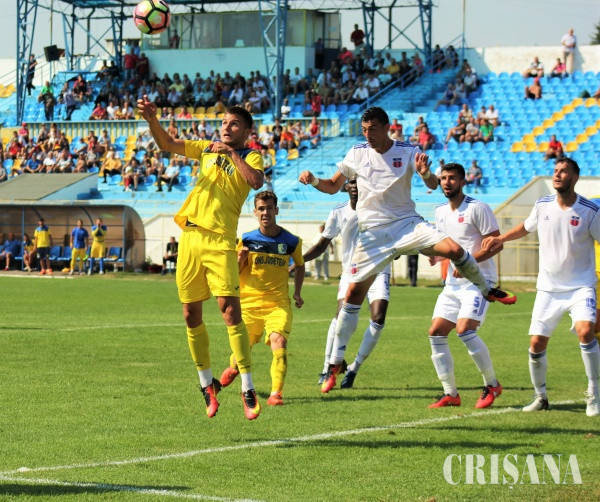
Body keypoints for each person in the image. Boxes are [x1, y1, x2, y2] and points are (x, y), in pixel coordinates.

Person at [299, 107, 516, 393]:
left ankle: (487, 290)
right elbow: (331, 186)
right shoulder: (357, 153)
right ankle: (334, 364)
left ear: (386, 127)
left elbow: (432, 184)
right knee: (351, 298)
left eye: (372, 129)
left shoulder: (408, 151)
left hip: (406, 225)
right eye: (364, 129)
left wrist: (425, 174)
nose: (368, 134)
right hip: (372, 235)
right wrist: (313, 179)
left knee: (453, 249)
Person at [137, 95, 264, 420]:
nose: (227, 128)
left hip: (220, 240)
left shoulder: (252, 156)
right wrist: (152, 120)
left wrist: (231, 153)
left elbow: (256, 181)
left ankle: (247, 387)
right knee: (190, 314)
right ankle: (207, 385)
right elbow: (167, 144)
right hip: (191, 237)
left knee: (229, 311)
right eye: (224, 123)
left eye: (234, 124)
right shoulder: (206, 149)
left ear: (246, 131)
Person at [482, 158, 600, 417]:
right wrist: (501, 238)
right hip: (548, 288)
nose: (557, 175)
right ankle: (540, 397)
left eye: (563, 171)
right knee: (536, 343)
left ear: (575, 178)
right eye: (555, 171)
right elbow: (526, 227)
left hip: (581, 287)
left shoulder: (590, 211)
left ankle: (594, 394)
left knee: (585, 332)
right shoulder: (542, 204)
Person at [428, 162, 504, 409]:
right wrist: (436, 255)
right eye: (443, 178)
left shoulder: (477, 208)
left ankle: (492, 385)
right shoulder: (440, 211)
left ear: (462, 182)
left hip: (479, 282)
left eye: (452, 178)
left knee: (465, 330)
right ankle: (450, 393)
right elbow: (446, 244)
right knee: (436, 332)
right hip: (453, 284)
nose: (447, 182)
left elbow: (497, 244)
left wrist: (468, 263)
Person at [303, 178, 390, 389]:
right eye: (352, 183)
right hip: (351, 272)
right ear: (346, 187)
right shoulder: (339, 212)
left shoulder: (380, 209)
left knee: (378, 318)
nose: (355, 187)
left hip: (378, 270)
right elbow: (322, 244)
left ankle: (353, 369)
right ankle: (328, 367)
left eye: (360, 183)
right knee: (341, 314)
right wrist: (299, 260)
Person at [219, 191, 305, 406]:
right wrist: (240, 259)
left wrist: (297, 292)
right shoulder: (247, 239)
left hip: (278, 304)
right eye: (261, 209)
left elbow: (300, 265)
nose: (265, 212)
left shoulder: (292, 241)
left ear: (276, 210)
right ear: (255, 212)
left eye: (269, 208)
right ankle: (233, 368)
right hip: (249, 304)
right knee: (242, 350)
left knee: (279, 341)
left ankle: (276, 393)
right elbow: (235, 271)